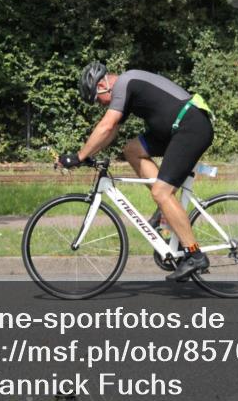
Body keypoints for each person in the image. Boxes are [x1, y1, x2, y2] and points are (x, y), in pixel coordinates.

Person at [55, 62, 215, 282]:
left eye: (97, 100)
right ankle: (165, 210)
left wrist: (79, 156)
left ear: (102, 85)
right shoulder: (126, 88)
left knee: (161, 193)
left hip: (190, 127)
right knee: (132, 150)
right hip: (175, 129)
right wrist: (88, 154)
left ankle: (195, 255)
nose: (100, 105)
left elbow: (106, 125)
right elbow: (110, 132)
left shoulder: (125, 82)